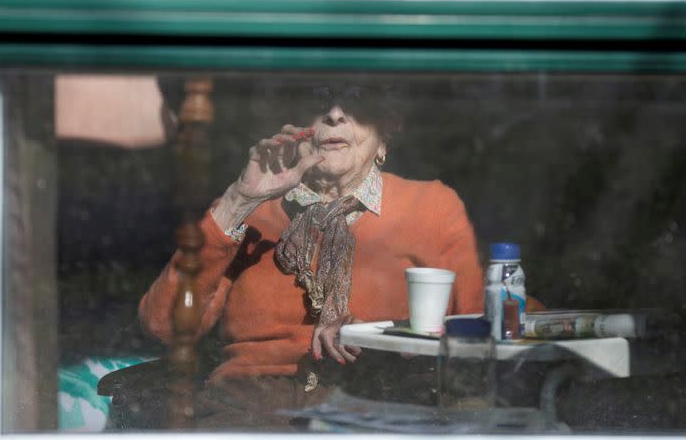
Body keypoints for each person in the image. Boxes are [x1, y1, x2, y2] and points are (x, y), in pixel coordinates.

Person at [138, 83, 484, 428]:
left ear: (385, 132)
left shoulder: (432, 207)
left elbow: (479, 333)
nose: (334, 115)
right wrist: (239, 200)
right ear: (291, 127)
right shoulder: (251, 210)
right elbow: (165, 326)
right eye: (319, 101)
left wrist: (379, 337)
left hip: (377, 404)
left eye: (356, 102)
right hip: (252, 408)